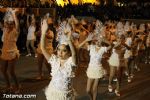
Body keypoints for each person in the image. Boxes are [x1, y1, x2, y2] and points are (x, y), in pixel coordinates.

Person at [41, 18, 77, 100]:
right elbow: (43, 48)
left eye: (64, 51)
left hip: (65, 95)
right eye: (59, 50)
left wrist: (69, 40)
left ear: (69, 52)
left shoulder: (71, 62)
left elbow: (74, 54)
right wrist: (43, 33)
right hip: (53, 92)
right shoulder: (54, 60)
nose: (60, 53)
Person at [78, 33, 111, 100]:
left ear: (101, 42)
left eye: (100, 40)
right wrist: (86, 40)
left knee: (94, 89)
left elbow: (111, 45)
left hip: (98, 69)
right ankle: (91, 98)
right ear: (95, 41)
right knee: (88, 90)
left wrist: (105, 39)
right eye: (97, 40)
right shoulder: (91, 47)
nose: (98, 42)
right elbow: (79, 46)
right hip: (91, 69)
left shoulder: (103, 49)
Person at [0, 8, 20, 93]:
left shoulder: (15, 32)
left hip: (12, 53)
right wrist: (8, 12)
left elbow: (17, 24)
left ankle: (17, 86)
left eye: (12, 24)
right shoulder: (4, 30)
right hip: (4, 52)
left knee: (11, 72)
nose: (9, 25)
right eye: (8, 23)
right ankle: (9, 86)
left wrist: (14, 14)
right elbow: (4, 22)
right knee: (3, 70)